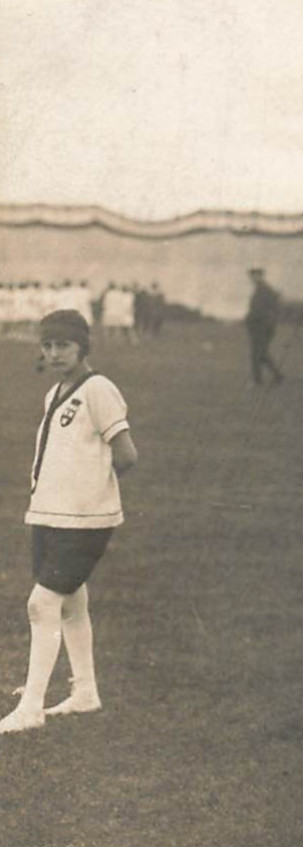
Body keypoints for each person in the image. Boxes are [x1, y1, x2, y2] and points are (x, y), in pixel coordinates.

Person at [1, 310, 138, 733]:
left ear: (82, 346)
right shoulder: (55, 392)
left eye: (64, 345)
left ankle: (32, 708)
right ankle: (85, 692)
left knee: (41, 603)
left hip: (84, 518)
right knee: (70, 602)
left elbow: (127, 455)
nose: (55, 353)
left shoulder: (99, 389)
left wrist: (89, 488)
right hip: (48, 512)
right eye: (48, 345)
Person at [245, 268, 284, 386]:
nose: (253, 278)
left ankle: (257, 381)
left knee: (257, 354)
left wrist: (268, 324)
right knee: (261, 353)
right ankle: (278, 376)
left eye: (256, 275)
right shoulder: (260, 289)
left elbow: (272, 309)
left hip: (262, 327)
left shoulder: (265, 290)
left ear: (261, 276)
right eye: (252, 276)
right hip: (258, 327)